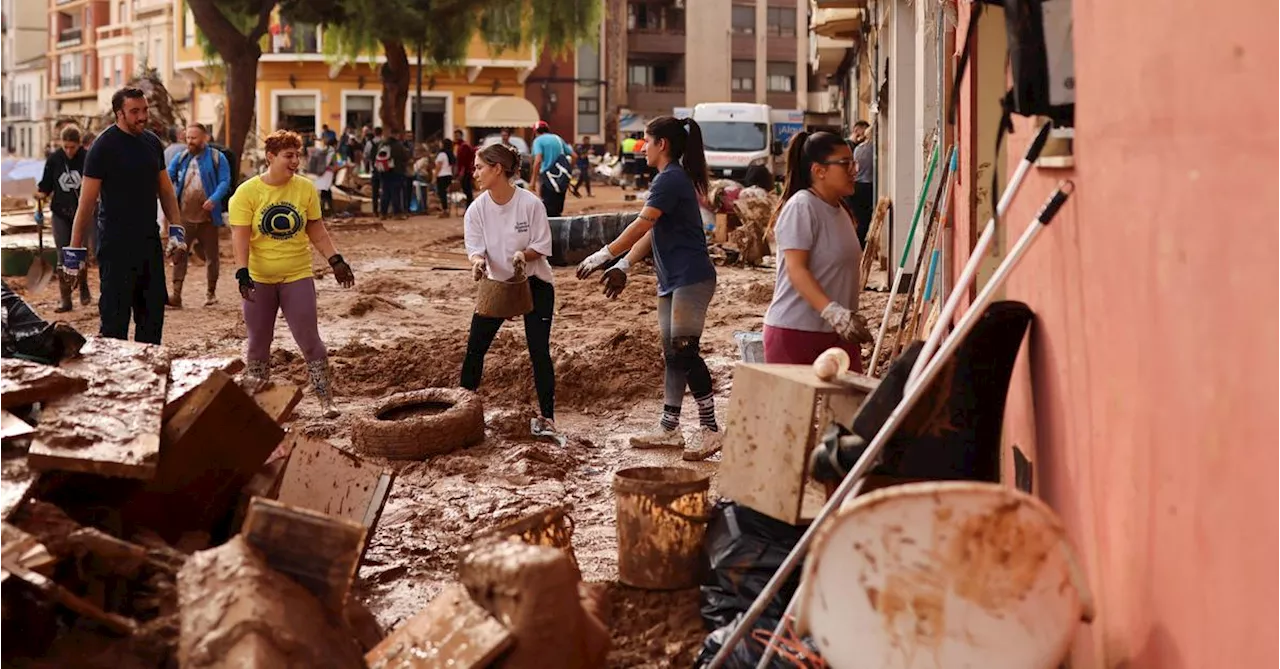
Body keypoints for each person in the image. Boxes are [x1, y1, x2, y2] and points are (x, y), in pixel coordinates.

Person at [575, 116, 721, 461]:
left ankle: (711, 429)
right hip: (672, 278)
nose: (641, 148)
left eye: (645, 141)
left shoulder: (669, 180)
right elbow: (652, 232)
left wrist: (604, 254)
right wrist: (624, 265)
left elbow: (642, 223)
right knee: (672, 354)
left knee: (685, 351)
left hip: (691, 277)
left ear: (662, 145)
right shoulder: (668, 179)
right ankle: (670, 429)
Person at [229, 130, 355, 418]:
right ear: (270, 157)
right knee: (259, 342)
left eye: (298, 155)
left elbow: (316, 228)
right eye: (289, 156)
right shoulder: (247, 193)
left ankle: (326, 399)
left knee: (309, 339)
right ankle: (257, 404)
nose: (296, 161)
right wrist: (242, 273)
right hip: (259, 278)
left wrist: (335, 260)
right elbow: (240, 236)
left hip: (297, 274)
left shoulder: (304, 188)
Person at [67, 86, 181, 345]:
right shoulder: (103, 147)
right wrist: (74, 253)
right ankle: (115, 378)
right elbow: (86, 205)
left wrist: (177, 230)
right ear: (119, 113)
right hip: (116, 245)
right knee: (115, 322)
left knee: (152, 317)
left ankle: (150, 378)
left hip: (148, 242)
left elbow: (165, 189)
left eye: (145, 110)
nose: (142, 116)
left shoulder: (152, 142)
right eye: (134, 112)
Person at [462, 143, 557, 434]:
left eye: (479, 167)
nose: (474, 172)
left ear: (497, 169)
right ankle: (461, 411)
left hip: (535, 284)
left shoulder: (530, 204)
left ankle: (548, 417)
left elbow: (541, 246)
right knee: (475, 347)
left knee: (538, 350)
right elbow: (475, 249)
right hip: (497, 286)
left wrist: (522, 255)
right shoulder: (477, 209)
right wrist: (477, 262)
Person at [763, 131, 873, 370]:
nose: (854, 170)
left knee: (850, 407)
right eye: (845, 164)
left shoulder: (840, 209)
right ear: (819, 171)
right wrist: (834, 313)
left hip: (839, 334)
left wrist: (844, 320)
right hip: (796, 334)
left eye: (853, 162)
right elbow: (796, 270)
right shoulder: (802, 207)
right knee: (797, 409)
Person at [166, 122, 233, 308]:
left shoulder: (217, 158)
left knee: (212, 256)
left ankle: (211, 293)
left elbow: (225, 181)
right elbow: (167, 176)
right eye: (188, 138)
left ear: (205, 138)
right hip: (184, 217)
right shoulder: (181, 158)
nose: (190, 141)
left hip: (208, 217)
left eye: (194, 138)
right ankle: (176, 295)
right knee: (179, 254)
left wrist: (214, 199)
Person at [36, 126, 91, 313]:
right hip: (60, 213)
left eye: (72, 147)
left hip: (82, 214)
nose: (69, 151)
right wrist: (40, 196)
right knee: (62, 255)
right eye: (66, 147)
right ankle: (65, 299)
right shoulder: (54, 160)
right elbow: (46, 185)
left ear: (79, 144)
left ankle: (83, 286)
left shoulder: (87, 158)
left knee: (81, 253)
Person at [529, 121, 574, 217]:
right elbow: (574, 156)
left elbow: (538, 160)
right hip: (561, 179)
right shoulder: (558, 138)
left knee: (547, 210)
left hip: (548, 179)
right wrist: (567, 172)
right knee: (558, 210)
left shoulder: (538, 140)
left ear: (535, 132)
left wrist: (532, 181)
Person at [848, 120, 875, 245]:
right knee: (866, 219)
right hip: (868, 187)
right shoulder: (874, 150)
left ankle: (857, 244)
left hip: (857, 186)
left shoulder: (858, 149)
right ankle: (862, 245)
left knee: (858, 219)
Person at [453, 129, 475, 207]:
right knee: (465, 189)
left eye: (457, 135)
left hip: (466, 171)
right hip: (463, 171)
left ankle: (470, 207)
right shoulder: (456, 146)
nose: (456, 137)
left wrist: (462, 172)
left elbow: (464, 161)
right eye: (455, 135)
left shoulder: (464, 146)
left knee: (467, 190)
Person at [435, 138, 456, 218]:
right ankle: (446, 209)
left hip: (441, 175)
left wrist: (434, 176)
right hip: (449, 175)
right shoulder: (450, 154)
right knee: (445, 193)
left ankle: (445, 210)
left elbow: (438, 166)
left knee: (442, 193)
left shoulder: (442, 154)